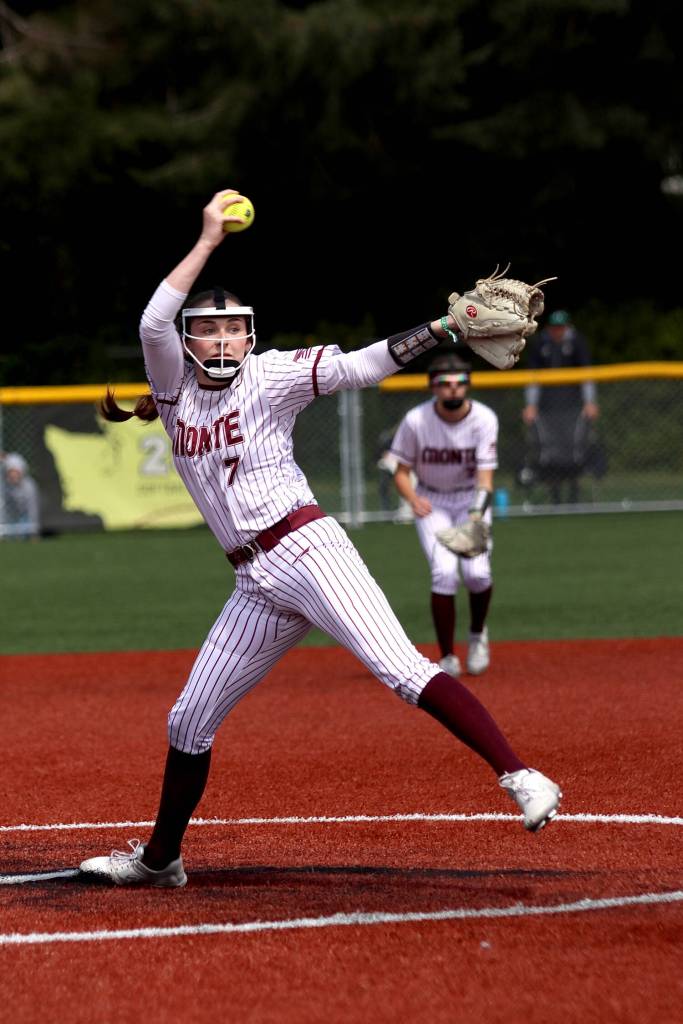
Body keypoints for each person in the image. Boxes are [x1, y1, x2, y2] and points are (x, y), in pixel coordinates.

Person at [79, 189, 562, 888]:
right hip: (254, 581)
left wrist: (442, 326)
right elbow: (154, 315)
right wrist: (208, 237)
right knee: (188, 721)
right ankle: (160, 860)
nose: (221, 341)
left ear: (250, 335)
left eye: (233, 330)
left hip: (307, 548)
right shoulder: (174, 389)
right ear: (187, 344)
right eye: (207, 331)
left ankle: (520, 776)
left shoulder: (272, 375)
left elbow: (363, 365)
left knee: (399, 669)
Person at [389, 355, 496, 678]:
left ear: (468, 385)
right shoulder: (416, 420)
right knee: (445, 573)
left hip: (469, 500)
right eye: (445, 383)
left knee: (477, 573)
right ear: (433, 386)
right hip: (432, 501)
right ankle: (448, 655)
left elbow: (486, 479)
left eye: (459, 382)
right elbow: (401, 471)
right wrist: (412, 498)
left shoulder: (484, 418)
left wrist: (476, 516)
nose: (453, 389)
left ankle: (477, 636)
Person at [521, 309, 599, 504]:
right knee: (548, 449)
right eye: (555, 328)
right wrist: (531, 405)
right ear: (549, 328)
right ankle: (554, 492)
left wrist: (590, 402)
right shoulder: (540, 343)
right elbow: (532, 378)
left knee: (574, 447)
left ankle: (574, 490)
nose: (558, 331)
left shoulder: (577, 342)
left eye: (561, 328)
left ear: (567, 327)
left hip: (573, 407)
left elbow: (586, 375)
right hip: (547, 408)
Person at [0, 452, 40, 540]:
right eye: (11, 472)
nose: (13, 475)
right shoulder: (4, 487)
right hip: (10, 517)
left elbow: (32, 509)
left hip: (24, 516)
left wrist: (34, 531)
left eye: (16, 472)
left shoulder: (29, 486)